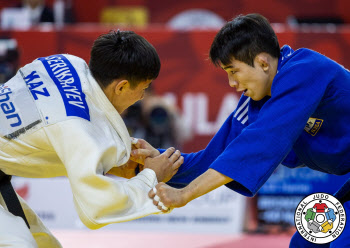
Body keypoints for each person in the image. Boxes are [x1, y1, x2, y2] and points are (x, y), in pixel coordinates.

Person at [133, 13, 350, 247]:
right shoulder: (253, 103)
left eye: (233, 71)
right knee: (307, 243)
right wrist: (160, 162)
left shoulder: (305, 69)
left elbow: (263, 142)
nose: (231, 84)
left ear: (263, 63)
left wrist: (186, 194)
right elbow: (213, 158)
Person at [0, 30, 183, 247]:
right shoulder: (77, 129)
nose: (142, 98)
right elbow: (95, 208)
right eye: (142, 90)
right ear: (122, 86)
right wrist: (151, 177)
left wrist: (115, 160)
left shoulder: (66, 62)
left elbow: (45, 130)